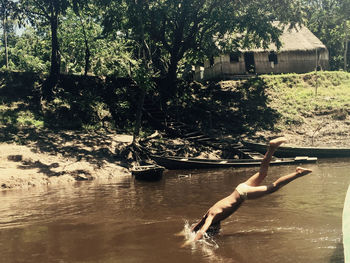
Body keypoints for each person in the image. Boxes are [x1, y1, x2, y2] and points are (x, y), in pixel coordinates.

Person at [188, 137, 312, 243]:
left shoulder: (212, 217)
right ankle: (272, 147)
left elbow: (202, 229)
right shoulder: (208, 213)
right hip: (240, 188)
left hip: (243, 194)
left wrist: (192, 243)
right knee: (262, 173)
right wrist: (186, 234)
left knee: (273, 187)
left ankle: (297, 173)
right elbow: (197, 226)